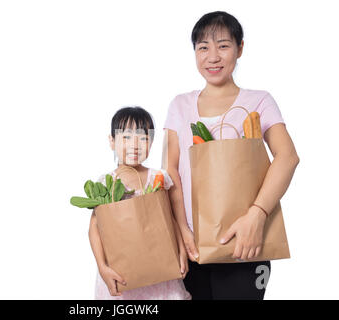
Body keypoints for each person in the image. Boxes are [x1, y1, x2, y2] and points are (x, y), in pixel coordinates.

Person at [162, 11, 300, 299]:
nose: (213, 56)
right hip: (191, 247)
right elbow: (170, 173)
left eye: (223, 45)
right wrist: (181, 231)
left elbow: (287, 157)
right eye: (203, 47)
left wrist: (257, 215)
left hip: (244, 243)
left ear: (240, 48)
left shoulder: (259, 100)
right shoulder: (179, 105)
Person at [89, 106, 191, 300]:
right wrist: (102, 267)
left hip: (160, 273)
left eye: (143, 138)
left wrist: (181, 252)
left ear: (151, 142)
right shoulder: (107, 183)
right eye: (126, 137)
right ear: (112, 141)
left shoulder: (159, 178)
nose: (135, 145)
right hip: (123, 274)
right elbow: (95, 227)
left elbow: (170, 220)